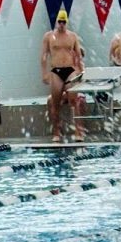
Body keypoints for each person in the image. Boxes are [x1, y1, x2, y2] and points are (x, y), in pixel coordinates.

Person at [41, 9, 86, 143]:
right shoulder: (48, 37)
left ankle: (78, 131)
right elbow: (43, 56)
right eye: (59, 22)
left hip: (70, 70)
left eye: (63, 22)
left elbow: (78, 55)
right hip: (56, 71)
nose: (61, 24)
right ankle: (56, 132)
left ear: (66, 22)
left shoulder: (72, 36)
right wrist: (44, 73)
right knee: (55, 103)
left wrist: (81, 71)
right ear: (56, 22)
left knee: (75, 101)